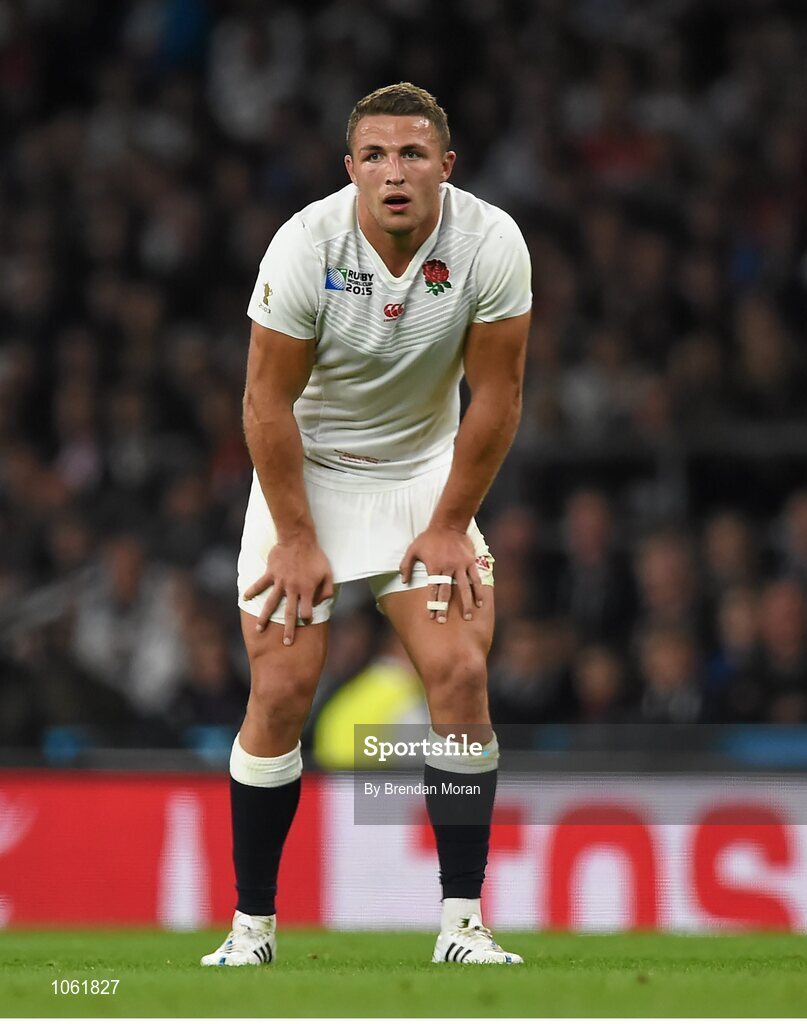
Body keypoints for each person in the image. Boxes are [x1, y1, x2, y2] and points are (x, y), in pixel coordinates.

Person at [201, 83, 531, 967]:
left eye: (412, 154)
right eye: (375, 155)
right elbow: (264, 404)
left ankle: (461, 925)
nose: (394, 172)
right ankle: (251, 930)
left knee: (460, 675)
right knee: (280, 693)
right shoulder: (305, 245)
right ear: (349, 169)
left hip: (423, 478)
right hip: (306, 476)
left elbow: (497, 397)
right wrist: (295, 538)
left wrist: (451, 522)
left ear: (444, 168)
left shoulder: (491, 242)